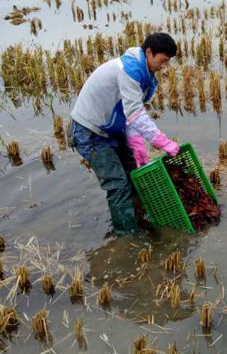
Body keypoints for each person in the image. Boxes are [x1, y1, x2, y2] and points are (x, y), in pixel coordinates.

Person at [70, 32, 179, 236]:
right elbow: (135, 114)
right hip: (90, 132)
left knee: (133, 173)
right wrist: (161, 141)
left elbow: (128, 116)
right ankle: (126, 235)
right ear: (149, 52)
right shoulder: (129, 70)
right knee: (118, 184)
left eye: (167, 62)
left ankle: (139, 215)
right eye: (162, 61)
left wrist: (137, 144)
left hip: (111, 128)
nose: (164, 66)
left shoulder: (145, 76)